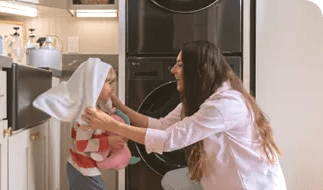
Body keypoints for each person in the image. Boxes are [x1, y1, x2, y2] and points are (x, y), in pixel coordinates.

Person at [81, 41, 287, 190]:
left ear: (199, 69)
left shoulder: (223, 105)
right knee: (172, 179)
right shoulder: (199, 100)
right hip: (222, 182)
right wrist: (118, 107)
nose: (173, 70)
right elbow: (161, 126)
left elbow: (169, 139)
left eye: (180, 64)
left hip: (249, 186)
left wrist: (111, 125)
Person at [33, 58, 132, 190]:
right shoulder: (86, 116)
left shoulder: (96, 109)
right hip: (81, 168)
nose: (112, 88)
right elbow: (81, 145)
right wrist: (108, 141)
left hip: (83, 167)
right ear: (94, 85)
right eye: (108, 83)